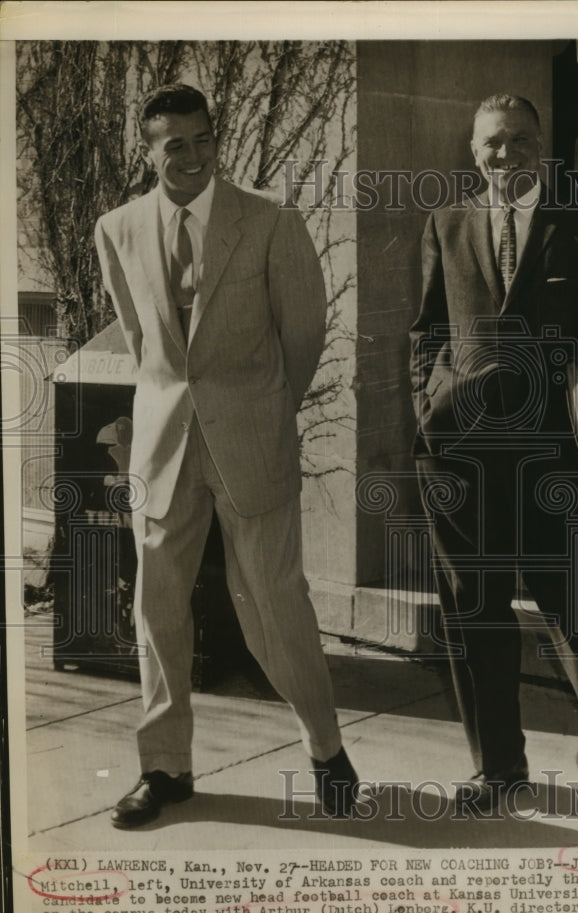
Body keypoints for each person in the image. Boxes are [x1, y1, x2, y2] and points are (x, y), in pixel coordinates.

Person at [95, 83, 358, 827]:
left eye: (203, 138)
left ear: (217, 139)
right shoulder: (115, 229)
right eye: (174, 144)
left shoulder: (270, 222)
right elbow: (146, 347)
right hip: (161, 452)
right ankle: (165, 769)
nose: (193, 155)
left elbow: (302, 336)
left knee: (276, 606)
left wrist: (262, 412)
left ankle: (326, 750)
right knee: (157, 612)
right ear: (148, 152)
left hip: (252, 444)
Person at [409, 93, 578, 812]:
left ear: (540, 146)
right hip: (459, 453)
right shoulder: (445, 222)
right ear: (471, 148)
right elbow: (425, 330)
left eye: (518, 140)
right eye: (491, 142)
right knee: (473, 607)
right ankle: (498, 768)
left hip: (559, 456)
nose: (504, 154)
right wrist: (427, 405)